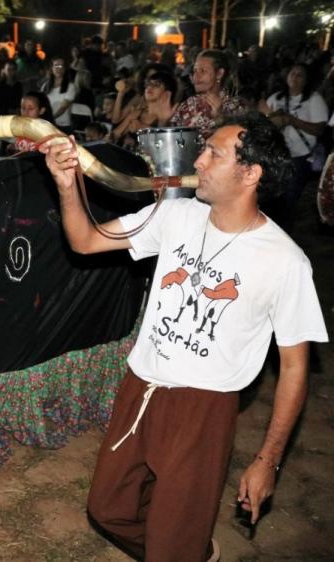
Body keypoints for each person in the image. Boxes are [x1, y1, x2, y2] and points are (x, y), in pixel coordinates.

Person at [40, 113, 327, 561]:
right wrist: (65, 183)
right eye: (204, 149)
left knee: (171, 542)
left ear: (250, 174)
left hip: (203, 408)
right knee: (107, 508)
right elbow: (86, 240)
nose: (199, 160)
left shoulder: (285, 262)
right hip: (141, 387)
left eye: (214, 152)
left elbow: (294, 370)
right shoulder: (173, 214)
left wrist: (267, 460)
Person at [259, 63, 329, 231]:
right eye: (293, 73)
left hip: (301, 156)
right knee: (272, 197)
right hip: (276, 156)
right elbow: (263, 125)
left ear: (306, 80)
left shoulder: (313, 99)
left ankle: (284, 231)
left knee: (289, 196)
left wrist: (292, 120)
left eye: (300, 75)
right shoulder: (276, 98)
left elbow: (319, 129)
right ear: (287, 76)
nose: (295, 77)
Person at [170, 49, 247, 137]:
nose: (196, 77)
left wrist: (220, 117)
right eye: (195, 71)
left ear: (219, 74)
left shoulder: (235, 106)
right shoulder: (189, 104)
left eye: (203, 71)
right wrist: (163, 121)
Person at [111, 70, 177, 144]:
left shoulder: (173, 114)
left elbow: (170, 143)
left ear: (167, 93)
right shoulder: (136, 114)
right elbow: (113, 136)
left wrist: (142, 127)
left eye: (156, 85)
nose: (150, 87)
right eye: (148, 84)